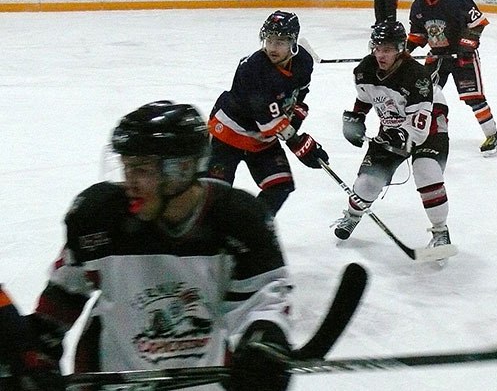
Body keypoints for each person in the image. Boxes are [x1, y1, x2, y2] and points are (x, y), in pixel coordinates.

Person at [15, 101, 293, 390]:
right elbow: (62, 296)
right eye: (126, 168)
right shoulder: (99, 218)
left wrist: (264, 339)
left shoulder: (236, 219)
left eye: (141, 170)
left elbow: (262, 298)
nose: (129, 183)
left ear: (182, 169)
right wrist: (38, 354)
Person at [335, 20, 452, 252]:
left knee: (426, 170)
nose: (380, 54)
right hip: (393, 123)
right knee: (368, 182)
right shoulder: (364, 70)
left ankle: (441, 231)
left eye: (387, 49)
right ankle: (353, 214)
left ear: (400, 49)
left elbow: (418, 133)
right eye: (377, 48)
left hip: (429, 124)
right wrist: (357, 117)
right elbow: (366, 97)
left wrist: (397, 136)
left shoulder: (417, 77)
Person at [208, 11, 328, 221]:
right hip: (228, 134)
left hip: (262, 140)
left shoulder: (303, 62)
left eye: (280, 41)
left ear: (293, 42)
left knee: (280, 186)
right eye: (269, 40)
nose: (272, 47)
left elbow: (299, 94)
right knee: (213, 196)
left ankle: (252, 230)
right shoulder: (253, 69)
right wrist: (299, 144)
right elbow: (268, 123)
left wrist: (297, 117)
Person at [408, 0, 497, 156]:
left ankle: (493, 136)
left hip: (462, 58)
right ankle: (424, 135)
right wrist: (404, 52)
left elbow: (477, 23)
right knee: (424, 95)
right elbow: (418, 35)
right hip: (437, 58)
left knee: (473, 98)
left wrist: (466, 45)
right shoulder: (418, 5)